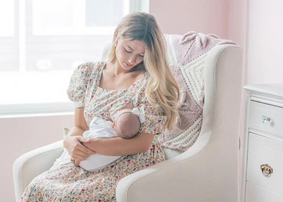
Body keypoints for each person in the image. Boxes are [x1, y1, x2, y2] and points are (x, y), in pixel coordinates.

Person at [21, 12, 180, 202]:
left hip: (129, 162)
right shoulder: (87, 74)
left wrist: (94, 146)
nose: (132, 60)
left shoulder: (149, 84)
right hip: (87, 156)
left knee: (72, 197)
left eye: (141, 55)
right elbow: (80, 127)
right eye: (128, 50)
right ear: (116, 37)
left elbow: (142, 144)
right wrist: (69, 142)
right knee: (39, 187)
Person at [51, 107, 145, 171]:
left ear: (113, 124)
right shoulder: (87, 80)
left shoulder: (106, 127)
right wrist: (68, 141)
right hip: (91, 163)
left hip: (111, 168)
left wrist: (87, 144)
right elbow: (79, 127)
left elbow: (94, 124)